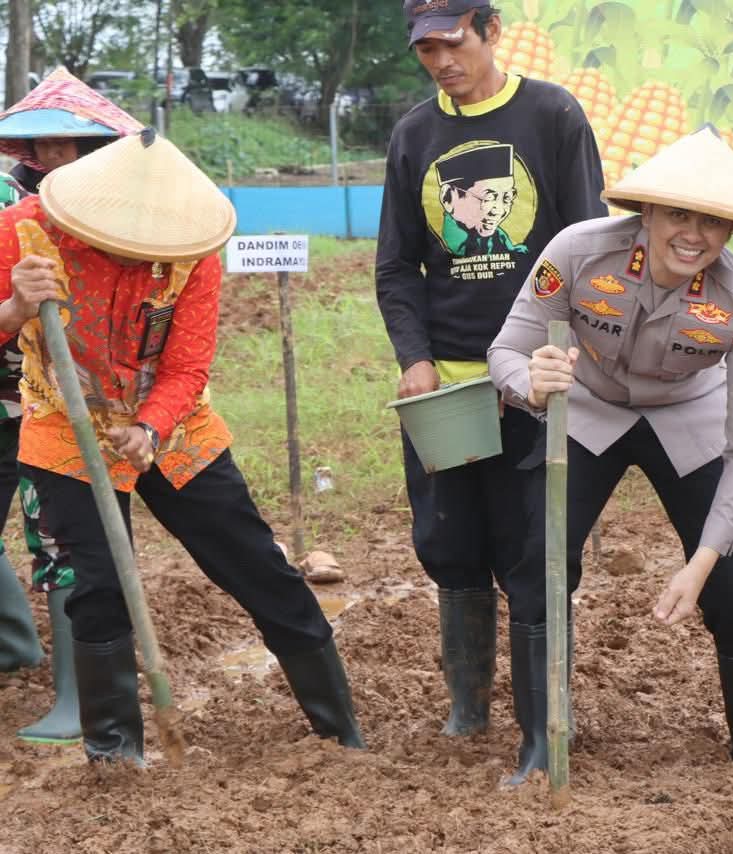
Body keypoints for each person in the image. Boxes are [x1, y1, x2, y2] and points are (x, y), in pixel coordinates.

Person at [0, 130, 365, 764]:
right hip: (65, 425)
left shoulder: (193, 251)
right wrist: (13, 308)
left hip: (175, 430)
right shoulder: (26, 231)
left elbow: (186, 366)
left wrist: (149, 428)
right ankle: (114, 755)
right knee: (96, 583)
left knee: (255, 564)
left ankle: (338, 730)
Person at [489, 127, 733, 782]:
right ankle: (542, 740)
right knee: (540, 563)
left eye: (713, 222)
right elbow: (506, 351)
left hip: (691, 416)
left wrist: (702, 564)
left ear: (732, 232)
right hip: (589, 410)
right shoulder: (577, 252)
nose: (694, 234)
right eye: (679, 213)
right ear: (646, 211)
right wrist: (530, 383)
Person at [376, 0, 605, 740]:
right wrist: (415, 360)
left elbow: (589, 245)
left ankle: (545, 724)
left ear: (490, 31)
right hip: (449, 389)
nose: (443, 62)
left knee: (534, 547)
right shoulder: (415, 135)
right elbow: (396, 266)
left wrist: (565, 352)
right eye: (427, 51)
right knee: (450, 542)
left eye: (454, 43)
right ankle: (468, 709)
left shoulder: (552, 117)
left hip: (535, 384)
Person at [0, 66, 144, 744]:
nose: (52, 158)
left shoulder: (37, 210)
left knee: (58, 537)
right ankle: (19, 647)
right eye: (43, 146)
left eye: (68, 143)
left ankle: (76, 699)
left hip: (47, 400)